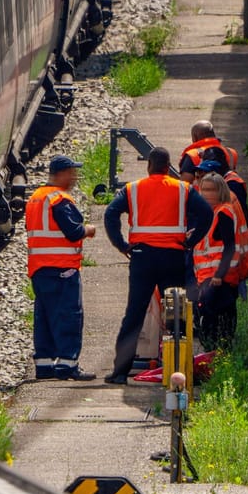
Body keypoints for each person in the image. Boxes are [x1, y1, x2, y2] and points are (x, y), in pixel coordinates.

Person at [101, 147, 213, 384]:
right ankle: (179, 369)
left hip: (142, 258)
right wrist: (190, 241)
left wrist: (121, 244)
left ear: (149, 166)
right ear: (168, 166)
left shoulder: (133, 189)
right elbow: (206, 214)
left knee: (135, 313)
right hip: (172, 257)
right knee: (176, 313)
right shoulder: (183, 189)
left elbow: (111, 214)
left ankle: (120, 372)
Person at [26, 156, 96, 380]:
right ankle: (68, 365)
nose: (74, 178)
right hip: (62, 269)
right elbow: (73, 231)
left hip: (39, 268)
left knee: (45, 317)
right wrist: (89, 229)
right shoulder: (59, 199)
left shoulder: (35, 198)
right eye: (71, 173)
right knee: (69, 316)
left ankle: (44, 366)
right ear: (60, 174)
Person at [190, 171, 248, 348]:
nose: (207, 194)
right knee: (213, 316)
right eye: (204, 189)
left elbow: (229, 246)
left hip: (219, 278)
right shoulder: (212, 213)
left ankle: (217, 350)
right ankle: (216, 350)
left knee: (217, 318)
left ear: (221, 191)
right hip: (208, 277)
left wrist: (219, 274)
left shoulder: (223, 213)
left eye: (212, 190)